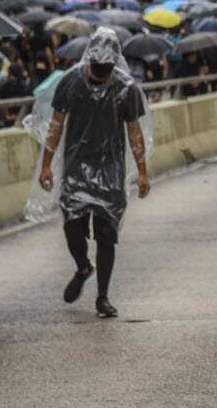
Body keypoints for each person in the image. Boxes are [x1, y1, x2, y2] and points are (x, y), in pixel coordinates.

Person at [35, 28, 151, 318]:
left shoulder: (126, 87)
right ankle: (83, 266)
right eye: (95, 73)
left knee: (106, 235)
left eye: (104, 74)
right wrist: (46, 164)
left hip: (110, 170)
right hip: (76, 169)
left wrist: (143, 172)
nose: (99, 79)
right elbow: (56, 125)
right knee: (72, 227)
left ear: (113, 65)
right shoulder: (71, 81)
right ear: (88, 62)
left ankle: (102, 297)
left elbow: (134, 132)